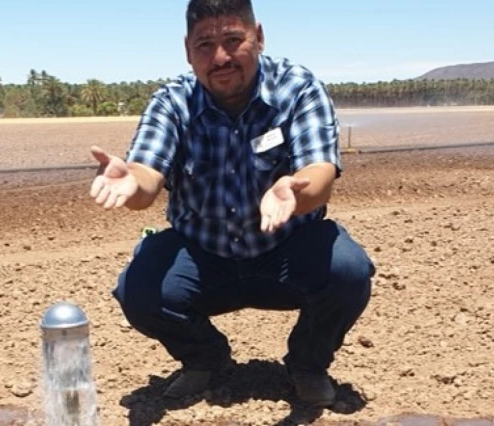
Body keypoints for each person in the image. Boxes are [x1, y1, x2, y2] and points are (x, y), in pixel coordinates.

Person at [90, 0, 374, 407]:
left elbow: (321, 172)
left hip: (284, 251)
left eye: (233, 40)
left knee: (347, 271)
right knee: (138, 291)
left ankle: (308, 365)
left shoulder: (297, 87)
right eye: (205, 44)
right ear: (187, 50)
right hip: (204, 257)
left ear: (258, 37)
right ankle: (206, 359)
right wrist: (130, 182)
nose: (220, 57)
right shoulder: (172, 102)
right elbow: (146, 178)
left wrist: (294, 193)